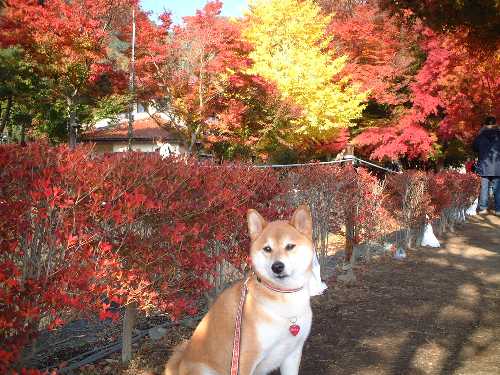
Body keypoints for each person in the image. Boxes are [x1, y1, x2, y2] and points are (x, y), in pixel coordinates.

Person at [472, 116, 500, 215]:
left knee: (484, 188)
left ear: (485, 124)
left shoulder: (480, 136)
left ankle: (483, 208)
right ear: (495, 124)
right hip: (498, 167)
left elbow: (474, 148)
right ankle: (498, 209)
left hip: (484, 166)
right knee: (498, 189)